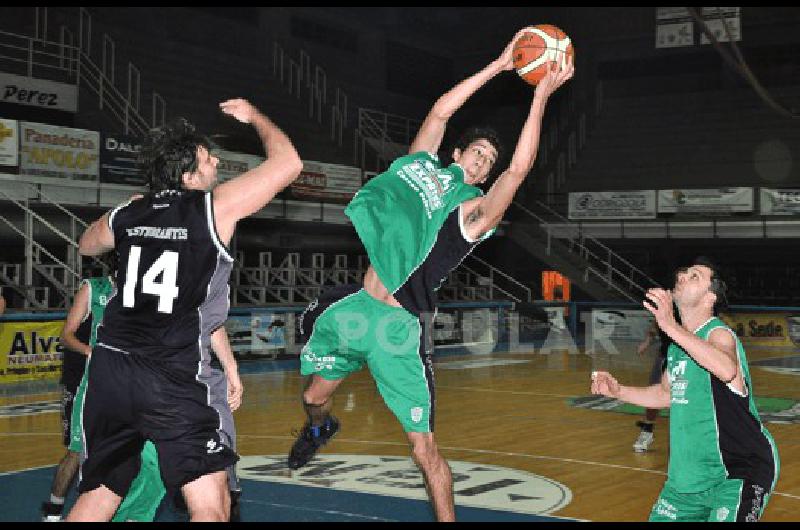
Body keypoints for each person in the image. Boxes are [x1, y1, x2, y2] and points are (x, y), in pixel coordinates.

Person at [288, 30, 574, 522]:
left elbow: (519, 171)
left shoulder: (470, 212)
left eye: (489, 161)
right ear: (459, 156)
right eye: (477, 152)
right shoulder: (419, 168)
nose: (483, 160)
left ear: (484, 177)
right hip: (357, 308)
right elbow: (441, 113)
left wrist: (540, 97)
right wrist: (500, 65)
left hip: (399, 331)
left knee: (423, 450)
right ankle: (319, 428)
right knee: (313, 395)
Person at [65, 98, 303, 522]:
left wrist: (134, 213)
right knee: (211, 506)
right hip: (171, 376)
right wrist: (256, 117)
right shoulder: (213, 207)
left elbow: (86, 244)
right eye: (210, 160)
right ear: (189, 174)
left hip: (111, 372)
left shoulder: (129, 212)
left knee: (102, 493)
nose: (217, 166)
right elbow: (288, 163)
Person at [591, 257, 780, 522]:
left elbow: (727, 370)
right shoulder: (678, 347)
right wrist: (618, 391)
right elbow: (665, 394)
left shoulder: (718, 334)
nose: (681, 277)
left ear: (710, 297)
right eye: (683, 273)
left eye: (694, 277)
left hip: (736, 471)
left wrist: (669, 325)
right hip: (688, 482)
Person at [633, 318, 674, 453]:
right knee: (653, 395)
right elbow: (656, 322)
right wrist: (647, 341)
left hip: (685, 357)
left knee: (680, 400)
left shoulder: (690, 305)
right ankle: (647, 431)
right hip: (664, 356)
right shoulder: (665, 304)